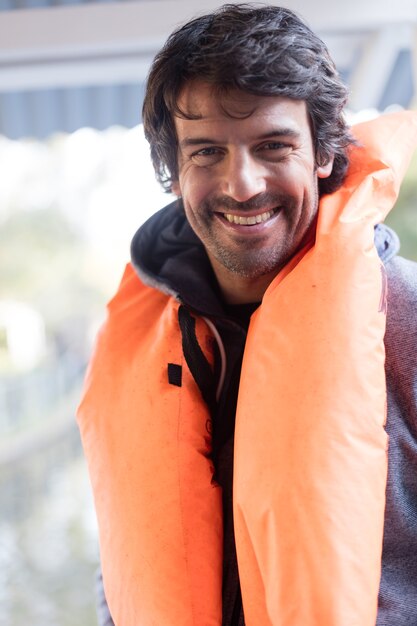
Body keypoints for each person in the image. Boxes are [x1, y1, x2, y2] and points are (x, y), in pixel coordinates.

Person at [77, 4, 417, 626]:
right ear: (174, 170)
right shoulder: (133, 341)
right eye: (206, 152)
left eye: (273, 145)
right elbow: (126, 553)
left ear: (322, 152)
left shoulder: (405, 315)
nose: (241, 184)